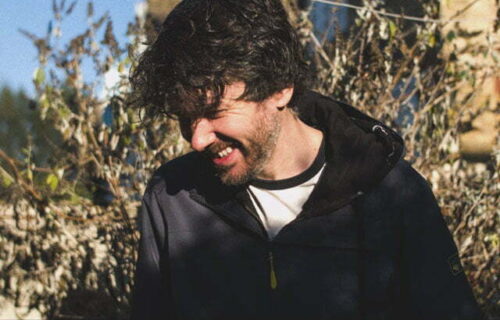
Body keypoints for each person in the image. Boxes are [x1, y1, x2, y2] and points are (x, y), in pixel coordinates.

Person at [129, 0, 482, 319]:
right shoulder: (172, 199)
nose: (197, 138)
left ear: (280, 88)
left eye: (214, 112)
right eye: (185, 118)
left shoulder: (391, 193)